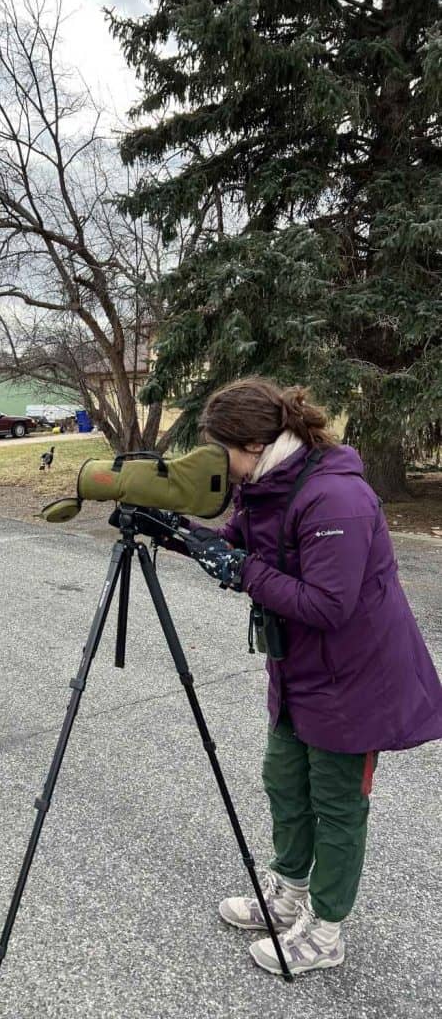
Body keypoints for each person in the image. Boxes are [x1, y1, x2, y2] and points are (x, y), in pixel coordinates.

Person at [185, 377, 442, 976]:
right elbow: (236, 546)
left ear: (251, 443)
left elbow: (328, 604)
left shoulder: (334, 498)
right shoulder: (270, 484)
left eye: (220, 452)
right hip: (299, 669)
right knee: (284, 782)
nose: (219, 467)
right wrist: (180, 537)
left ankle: (326, 932)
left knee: (336, 803)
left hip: (357, 678)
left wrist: (242, 570)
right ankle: (287, 894)